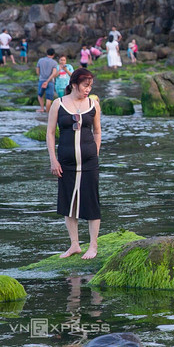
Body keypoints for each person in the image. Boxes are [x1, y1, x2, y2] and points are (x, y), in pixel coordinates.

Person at [46, 68, 102, 259]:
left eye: (90, 86)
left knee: (91, 201)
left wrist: (95, 152)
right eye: (85, 86)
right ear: (74, 84)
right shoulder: (58, 104)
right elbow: (51, 133)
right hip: (65, 162)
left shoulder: (93, 104)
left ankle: (93, 246)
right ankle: (74, 245)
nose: (88, 89)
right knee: (68, 202)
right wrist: (53, 159)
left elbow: (97, 131)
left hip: (89, 161)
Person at [36, 48, 58, 113]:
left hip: (41, 80)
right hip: (50, 82)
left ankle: (42, 108)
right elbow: (54, 73)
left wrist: (42, 77)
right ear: (53, 55)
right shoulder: (54, 62)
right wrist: (47, 81)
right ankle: (48, 112)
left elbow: (37, 71)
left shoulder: (40, 60)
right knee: (49, 98)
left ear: (47, 53)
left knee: (40, 95)